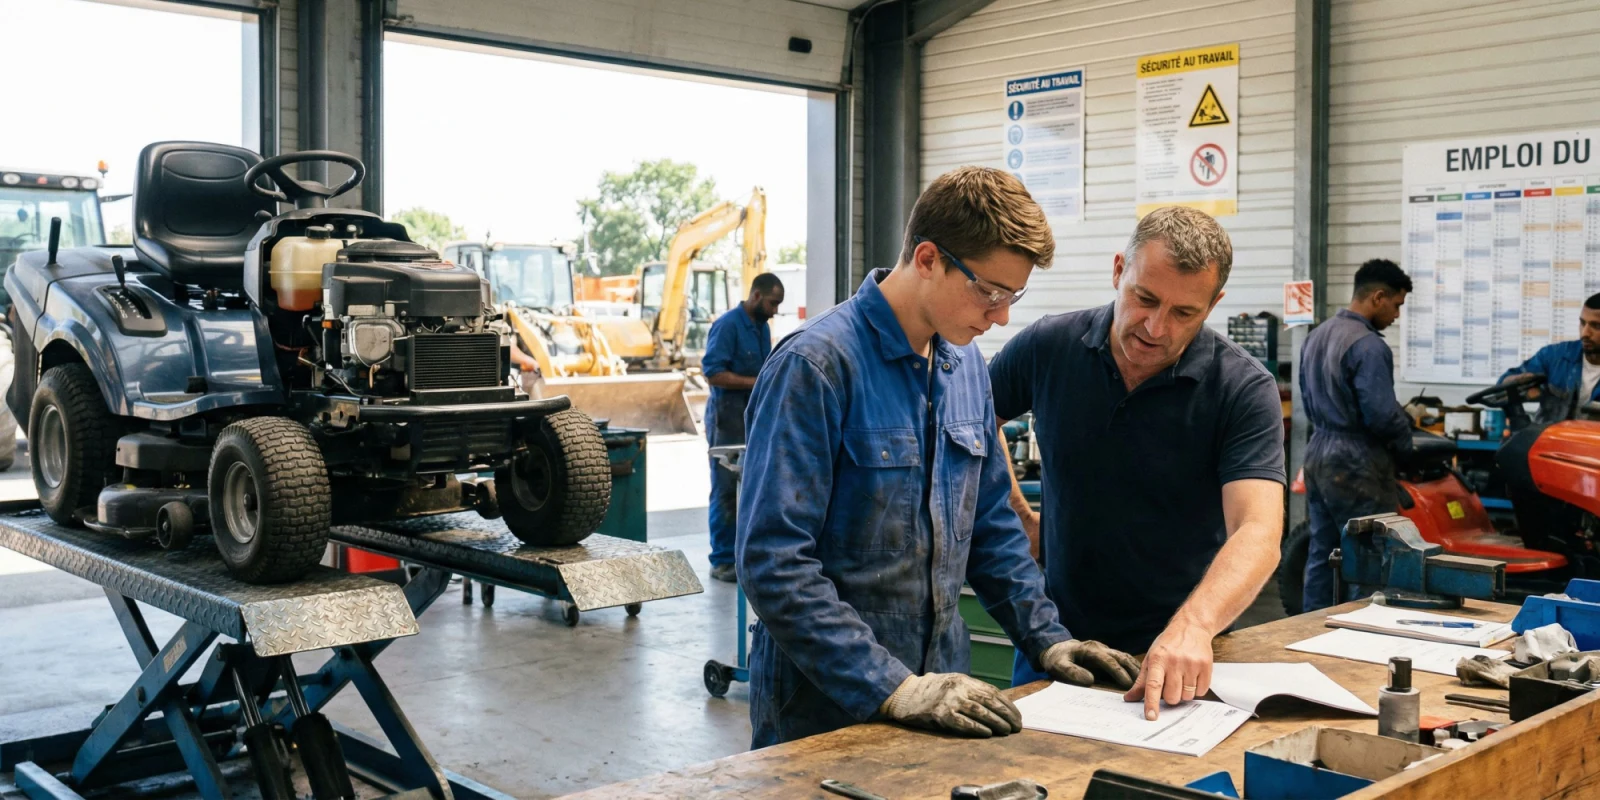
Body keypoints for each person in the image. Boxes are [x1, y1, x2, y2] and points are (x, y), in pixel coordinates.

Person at [736, 167, 1140, 748]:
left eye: (1013, 296)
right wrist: (892, 686)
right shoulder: (817, 368)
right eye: (990, 291)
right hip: (824, 709)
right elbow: (774, 563)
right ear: (927, 258)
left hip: (945, 701)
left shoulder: (965, 365)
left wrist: (1048, 639)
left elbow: (991, 525)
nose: (1001, 315)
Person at [992, 205, 1287, 721]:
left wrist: (1194, 626)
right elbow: (972, 418)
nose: (1155, 327)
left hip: (1176, 653)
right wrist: (1019, 516)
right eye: (1144, 298)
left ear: (1213, 304)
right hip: (1055, 644)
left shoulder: (1242, 389)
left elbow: (1258, 530)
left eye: (1184, 313)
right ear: (1117, 271)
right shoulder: (1048, 346)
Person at [1299, 258, 1413, 613]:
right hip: (1356, 459)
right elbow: (1380, 414)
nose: (1396, 316)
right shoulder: (1368, 345)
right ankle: (1362, 634)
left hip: (1318, 450)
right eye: (1396, 305)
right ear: (1378, 297)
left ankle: (1308, 627)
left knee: (1324, 548)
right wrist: (1406, 443)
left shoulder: (1316, 336)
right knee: (1369, 553)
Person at [701, 272, 784, 583]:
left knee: (751, 487)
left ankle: (743, 555)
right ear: (757, 296)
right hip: (727, 417)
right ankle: (722, 560)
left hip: (751, 417)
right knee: (725, 488)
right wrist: (758, 382)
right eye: (773, 303)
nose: (775, 310)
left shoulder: (761, 329)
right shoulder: (728, 326)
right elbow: (713, 373)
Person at [1499, 293, 1600, 422]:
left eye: (1596, 326)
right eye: (1582, 323)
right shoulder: (1554, 356)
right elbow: (1501, 388)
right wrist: (1516, 383)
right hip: (1550, 439)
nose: (1585, 333)